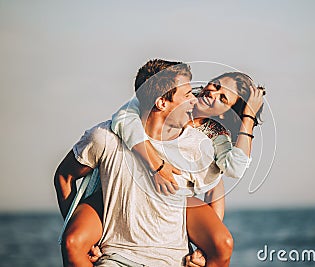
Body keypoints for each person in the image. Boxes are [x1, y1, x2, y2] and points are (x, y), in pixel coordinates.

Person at [60, 62, 265, 267]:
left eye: (223, 98)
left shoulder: (213, 134)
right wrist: (156, 165)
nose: (213, 93)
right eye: (215, 85)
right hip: (121, 189)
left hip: (176, 198)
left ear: (224, 113)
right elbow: (124, 118)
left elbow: (221, 181)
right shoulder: (168, 98)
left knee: (221, 243)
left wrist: (248, 117)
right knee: (75, 240)